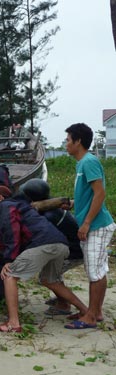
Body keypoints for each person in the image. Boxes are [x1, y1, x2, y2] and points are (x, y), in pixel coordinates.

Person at [0, 185, 87, 333]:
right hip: (60, 243)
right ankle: (85, 311)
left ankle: (13, 323)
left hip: (43, 243)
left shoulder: (5, 206)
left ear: (0, 198)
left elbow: (11, 230)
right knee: (50, 280)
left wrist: (9, 259)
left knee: (9, 275)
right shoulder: (23, 205)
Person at [64, 123, 116, 329]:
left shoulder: (89, 162)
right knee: (95, 269)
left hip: (97, 225)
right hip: (91, 224)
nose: (66, 144)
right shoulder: (81, 163)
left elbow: (100, 193)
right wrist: (75, 204)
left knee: (95, 270)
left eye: (68, 140)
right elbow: (90, 195)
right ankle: (96, 312)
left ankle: (91, 316)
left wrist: (85, 223)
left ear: (78, 141)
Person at [20, 178, 84, 316]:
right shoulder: (54, 208)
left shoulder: (49, 215)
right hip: (72, 248)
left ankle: (64, 305)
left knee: (48, 278)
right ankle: (62, 298)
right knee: (51, 276)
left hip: (74, 252)